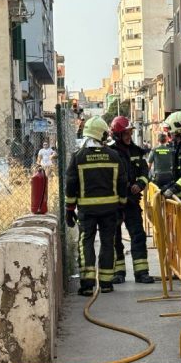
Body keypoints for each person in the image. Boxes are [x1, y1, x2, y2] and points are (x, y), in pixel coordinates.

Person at [64, 116, 127, 296]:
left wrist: (69, 209)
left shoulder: (78, 157)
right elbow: (122, 183)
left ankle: (87, 284)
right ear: (102, 134)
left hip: (86, 210)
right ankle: (106, 283)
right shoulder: (114, 156)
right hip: (110, 210)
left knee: (86, 243)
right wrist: (121, 206)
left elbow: (71, 184)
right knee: (108, 243)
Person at [108, 116, 154, 284]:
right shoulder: (110, 152)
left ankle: (141, 273)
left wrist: (140, 183)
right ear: (117, 135)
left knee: (138, 235)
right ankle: (118, 273)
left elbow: (144, 171)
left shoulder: (136, 151)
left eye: (130, 132)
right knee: (114, 237)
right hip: (115, 203)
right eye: (125, 133)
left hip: (132, 202)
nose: (129, 136)